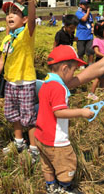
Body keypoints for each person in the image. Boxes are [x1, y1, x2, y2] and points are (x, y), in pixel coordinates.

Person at [0, 0, 39, 163]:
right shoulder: (7, 38)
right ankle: (19, 142)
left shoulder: (26, 34)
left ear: (23, 19)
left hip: (25, 82)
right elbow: (2, 60)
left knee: (28, 118)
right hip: (10, 83)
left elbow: (32, 19)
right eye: (8, 13)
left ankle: (34, 149)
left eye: (15, 12)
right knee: (13, 115)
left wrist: (30, 1)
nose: (10, 16)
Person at [35, 45, 94, 194]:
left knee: (47, 165)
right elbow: (59, 112)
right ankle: (64, 188)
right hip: (56, 140)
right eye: (74, 70)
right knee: (67, 164)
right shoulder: (58, 88)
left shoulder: (46, 83)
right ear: (65, 68)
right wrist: (82, 112)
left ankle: (51, 187)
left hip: (41, 136)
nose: (74, 75)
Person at [87, 21, 104, 100]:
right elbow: (97, 52)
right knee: (98, 78)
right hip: (99, 61)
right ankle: (91, 93)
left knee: (103, 77)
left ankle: (101, 91)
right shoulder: (96, 40)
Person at [75, 0, 94, 68]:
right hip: (81, 35)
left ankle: (90, 64)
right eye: (85, 4)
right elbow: (84, 19)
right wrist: (88, 11)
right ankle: (81, 65)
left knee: (91, 50)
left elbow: (91, 22)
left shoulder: (90, 14)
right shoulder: (78, 13)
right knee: (81, 51)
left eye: (87, 4)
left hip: (89, 35)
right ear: (80, 5)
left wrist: (93, 27)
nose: (87, 6)